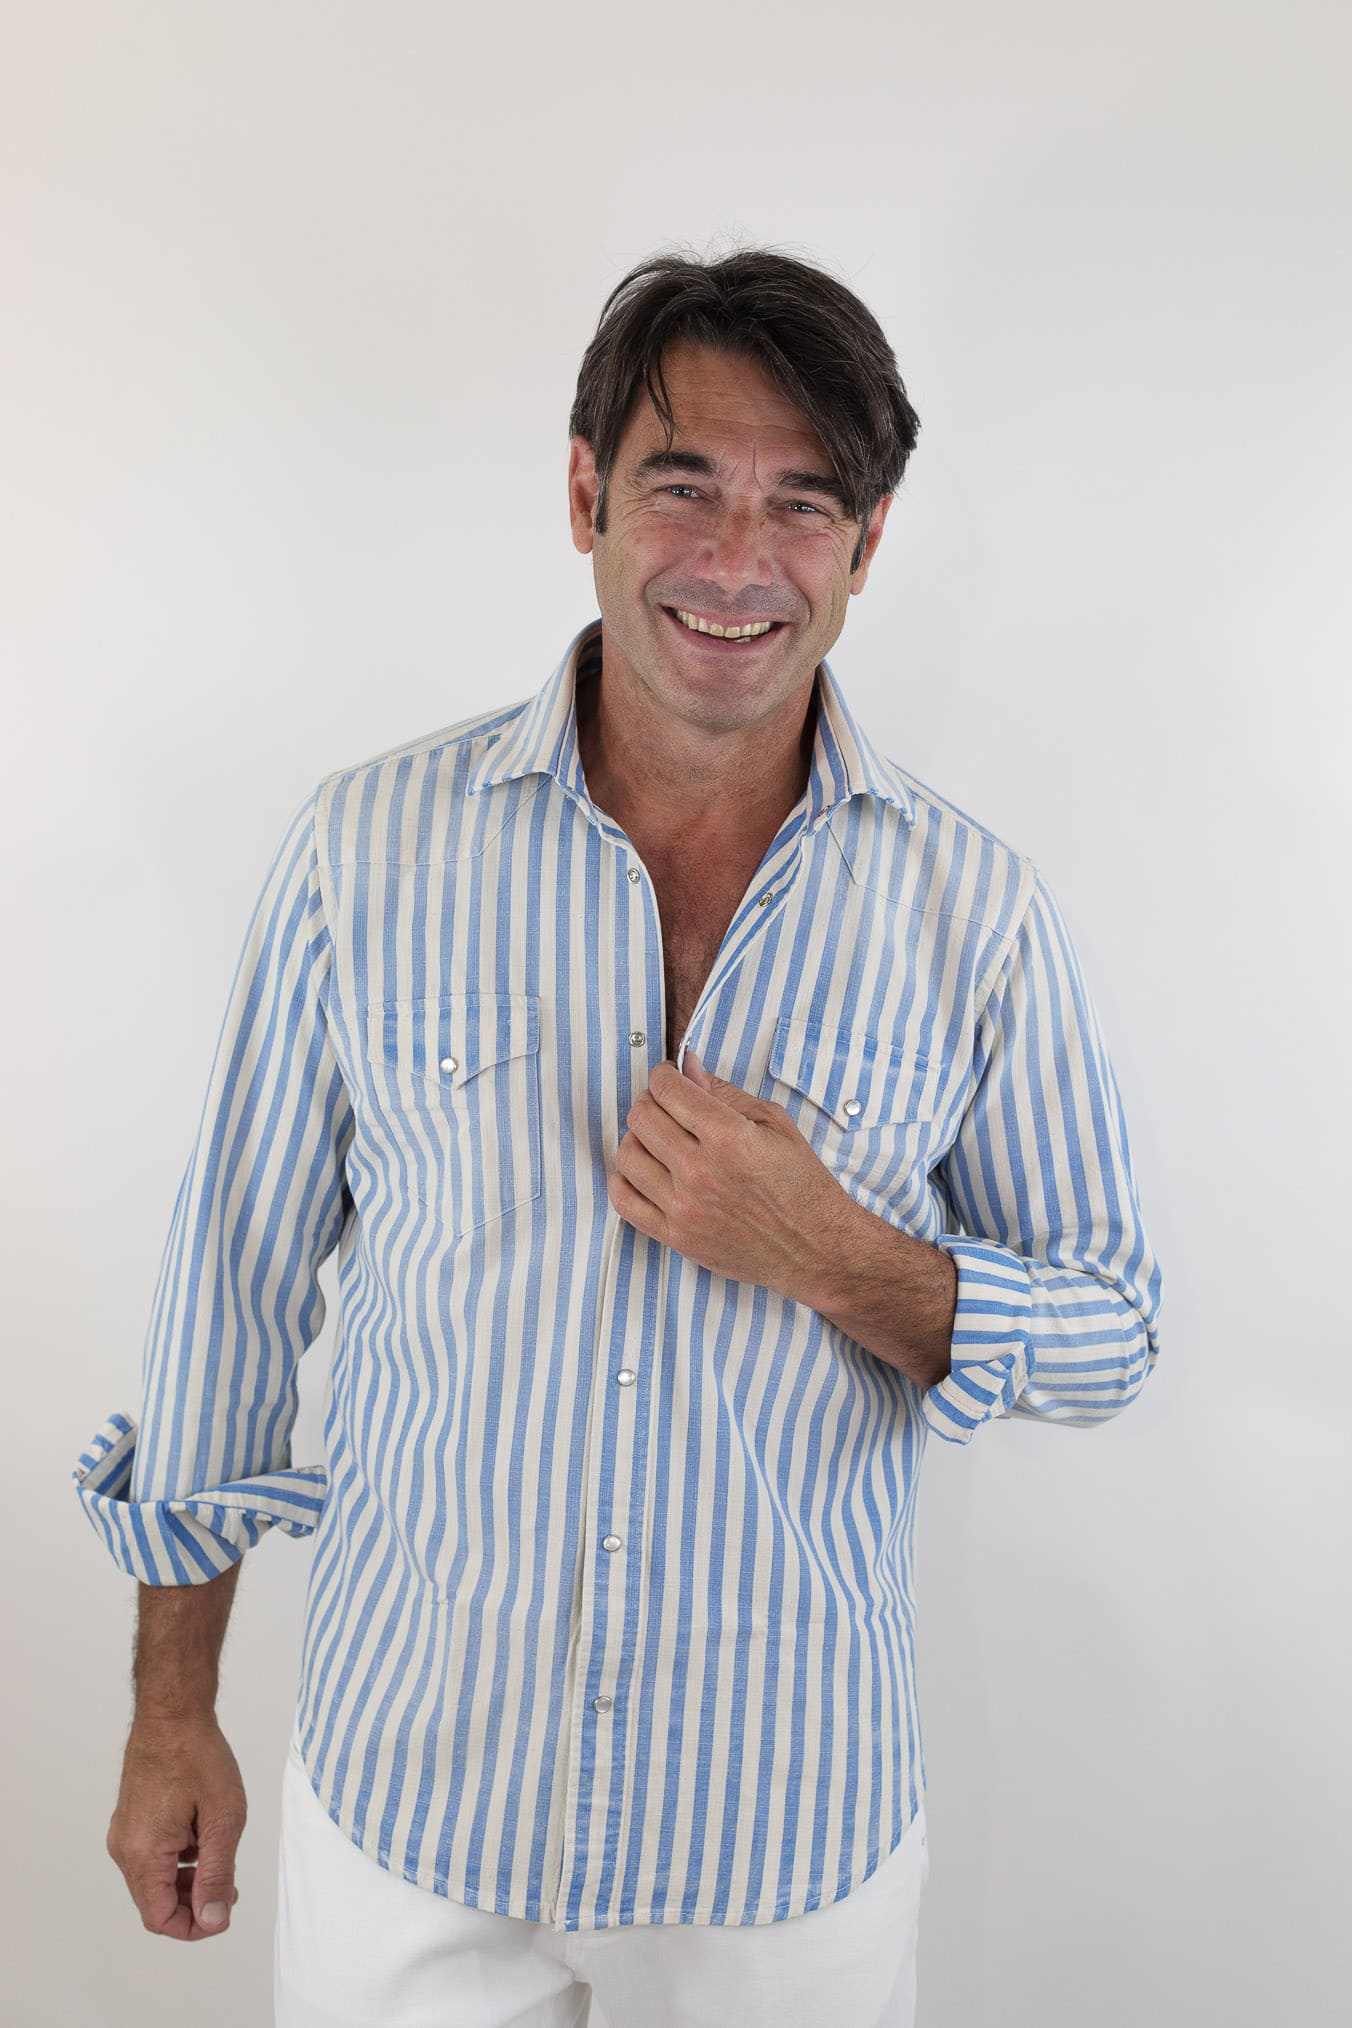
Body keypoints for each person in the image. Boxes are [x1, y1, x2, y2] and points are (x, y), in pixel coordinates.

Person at [73, 246, 1164, 2028]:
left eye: (802, 504)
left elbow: (1113, 1330)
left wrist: (835, 1253)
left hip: (783, 1842)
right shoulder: (365, 853)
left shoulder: (979, 916)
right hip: (413, 1806)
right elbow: (230, 1299)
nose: (738, 562)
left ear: (869, 546)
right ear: (584, 493)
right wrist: (171, 1710)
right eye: (684, 486)